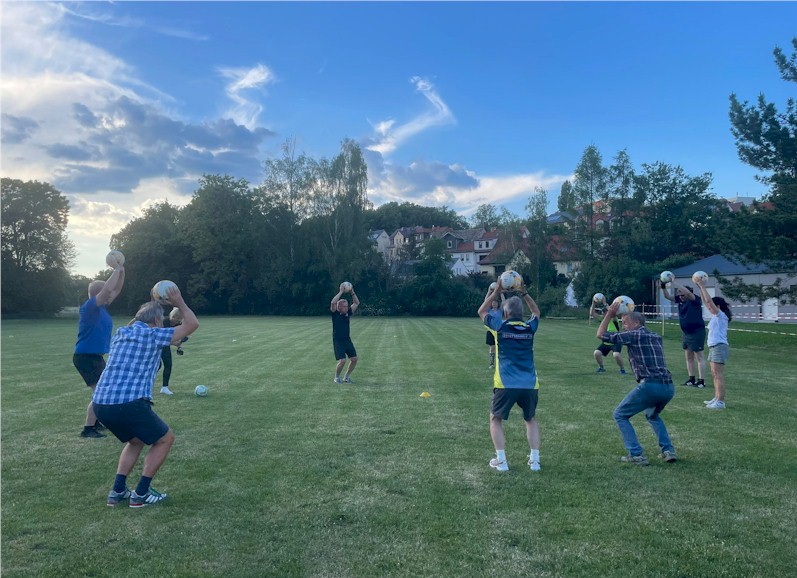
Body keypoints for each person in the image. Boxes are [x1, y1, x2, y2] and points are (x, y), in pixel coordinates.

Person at [93, 284, 199, 508]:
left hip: (101, 404)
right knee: (165, 439)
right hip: (128, 403)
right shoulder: (153, 335)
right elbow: (192, 324)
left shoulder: (122, 333)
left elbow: (141, 326)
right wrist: (178, 302)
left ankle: (118, 491)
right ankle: (140, 494)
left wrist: (151, 304)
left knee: (136, 440)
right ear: (157, 322)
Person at [597, 302, 677, 465]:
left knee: (620, 414)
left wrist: (609, 315)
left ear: (636, 323)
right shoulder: (656, 336)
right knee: (652, 415)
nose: (623, 326)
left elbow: (600, 334)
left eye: (625, 322)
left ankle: (636, 454)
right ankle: (668, 450)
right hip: (668, 387)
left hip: (650, 385)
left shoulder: (634, 335)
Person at [478, 278, 542, 472]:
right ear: (522, 313)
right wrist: (524, 293)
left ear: (505, 313)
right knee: (530, 419)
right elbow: (537, 313)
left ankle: (502, 462)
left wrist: (496, 291)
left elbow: (481, 312)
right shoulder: (530, 328)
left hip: (505, 384)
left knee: (495, 419)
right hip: (530, 384)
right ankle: (535, 461)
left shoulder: (500, 327)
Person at [72, 264, 126, 438]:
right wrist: (116, 270)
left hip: (95, 357)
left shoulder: (101, 308)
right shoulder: (90, 307)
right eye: (106, 292)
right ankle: (88, 428)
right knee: (101, 392)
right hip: (86, 357)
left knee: (103, 390)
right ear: (99, 293)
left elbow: (116, 288)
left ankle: (95, 422)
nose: (111, 295)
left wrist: (122, 270)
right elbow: (109, 288)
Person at [694, 278, 733, 410]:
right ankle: (716, 397)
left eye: (713, 307)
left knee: (718, 374)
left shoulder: (721, 315)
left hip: (719, 347)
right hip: (714, 347)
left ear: (719, 307)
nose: (709, 309)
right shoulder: (716, 317)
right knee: (714, 374)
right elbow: (707, 302)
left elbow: (709, 302)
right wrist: (700, 288)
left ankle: (720, 402)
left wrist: (702, 285)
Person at [662, 282, 707, 387]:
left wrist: (674, 282)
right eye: (679, 295)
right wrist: (663, 286)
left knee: (699, 357)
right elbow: (667, 296)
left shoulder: (694, 300)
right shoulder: (679, 300)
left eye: (682, 294)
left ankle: (701, 381)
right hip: (686, 333)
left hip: (697, 332)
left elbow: (687, 292)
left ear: (688, 293)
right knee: (688, 357)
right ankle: (691, 379)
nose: (680, 297)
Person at [331, 283, 360, 383]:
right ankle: (336, 378)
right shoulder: (335, 314)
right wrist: (341, 292)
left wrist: (352, 292)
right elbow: (333, 302)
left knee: (354, 359)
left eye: (347, 306)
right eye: (344, 306)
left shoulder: (347, 313)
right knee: (342, 360)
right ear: (339, 307)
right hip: (338, 340)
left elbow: (356, 303)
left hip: (347, 339)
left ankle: (346, 377)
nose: (346, 308)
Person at [158, 308, 186, 395]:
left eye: (180, 319)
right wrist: (174, 343)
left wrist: (180, 341)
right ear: (173, 316)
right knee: (157, 366)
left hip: (165, 347)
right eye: (178, 318)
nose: (179, 321)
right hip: (156, 346)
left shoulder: (178, 324)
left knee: (168, 365)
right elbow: (161, 338)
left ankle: (164, 387)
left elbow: (183, 335)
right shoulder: (164, 322)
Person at [485, 298, 500, 368]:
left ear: (498, 303)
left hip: (499, 331)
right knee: (492, 347)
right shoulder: (489, 310)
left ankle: (501, 363)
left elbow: (504, 302)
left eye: (495, 302)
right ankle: (491, 363)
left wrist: (501, 293)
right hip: (490, 331)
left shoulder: (500, 311)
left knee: (500, 348)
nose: (494, 304)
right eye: (493, 302)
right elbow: (485, 301)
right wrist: (489, 292)